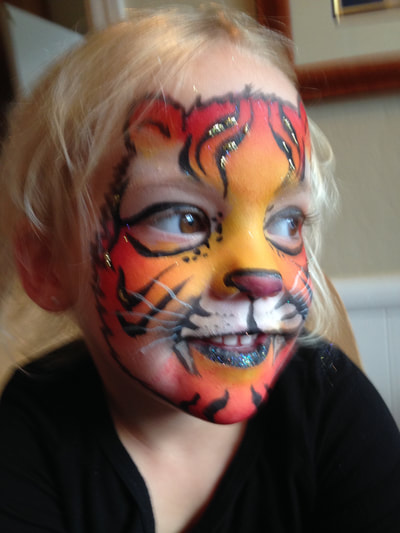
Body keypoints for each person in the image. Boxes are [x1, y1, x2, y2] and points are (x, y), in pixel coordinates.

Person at [0, 5, 399, 533]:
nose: (264, 275)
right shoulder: (31, 433)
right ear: (48, 265)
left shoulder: (327, 405)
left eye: (286, 222)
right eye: (183, 217)